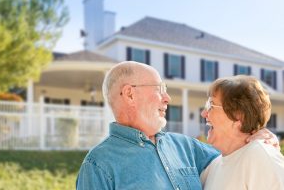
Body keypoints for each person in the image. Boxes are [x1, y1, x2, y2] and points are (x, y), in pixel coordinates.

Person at [76, 61, 278, 190]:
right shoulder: (97, 166)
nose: (167, 98)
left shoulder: (186, 147)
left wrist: (259, 134)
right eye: (160, 89)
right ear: (130, 94)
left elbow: (236, 154)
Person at [200, 75, 284, 190]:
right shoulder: (213, 166)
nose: (204, 113)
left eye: (211, 105)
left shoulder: (260, 157)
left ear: (238, 116)